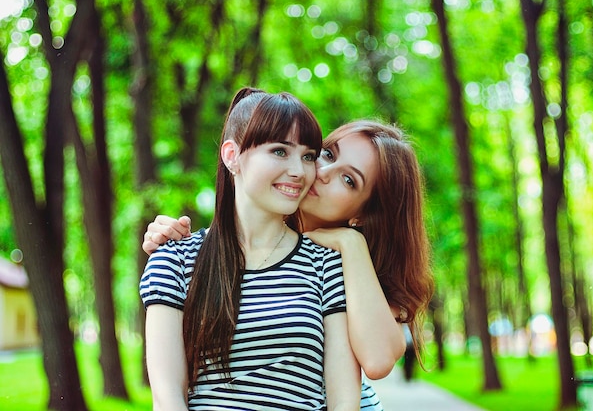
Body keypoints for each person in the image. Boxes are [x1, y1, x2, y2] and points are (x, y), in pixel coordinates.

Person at [144, 120, 434, 410]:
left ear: (363, 216)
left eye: (349, 180)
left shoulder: (350, 265)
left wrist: (351, 245)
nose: (322, 173)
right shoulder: (257, 236)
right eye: (327, 155)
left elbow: (378, 360)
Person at [140, 87, 361, 411]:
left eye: (308, 156)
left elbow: (344, 401)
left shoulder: (325, 265)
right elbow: (167, 397)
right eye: (280, 152)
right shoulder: (175, 261)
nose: (299, 171)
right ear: (232, 156)